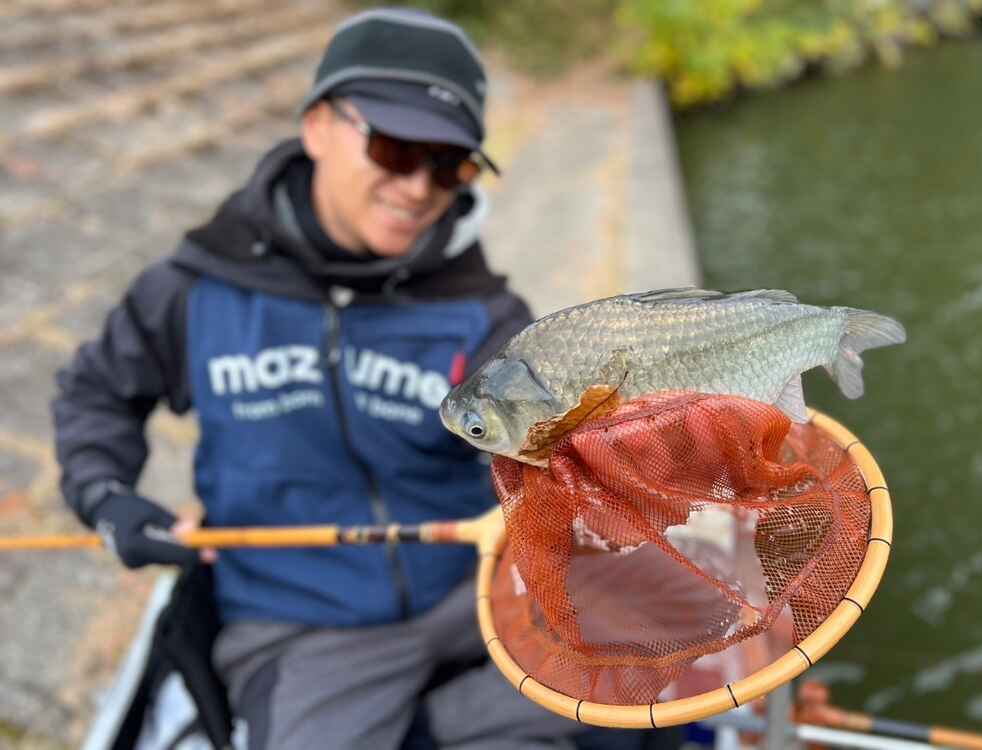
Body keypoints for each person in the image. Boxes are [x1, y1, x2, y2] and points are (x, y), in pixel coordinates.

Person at [52, 7, 659, 750]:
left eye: (450, 165)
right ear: (317, 127)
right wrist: (105, 495)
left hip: (477, 589)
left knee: (639, 704)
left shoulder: (487, 314)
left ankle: (431, 725)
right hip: (301, 622)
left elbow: (557, 456)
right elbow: (96, 393)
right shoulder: (196, 287)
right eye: (396, 149)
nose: (419, 188)